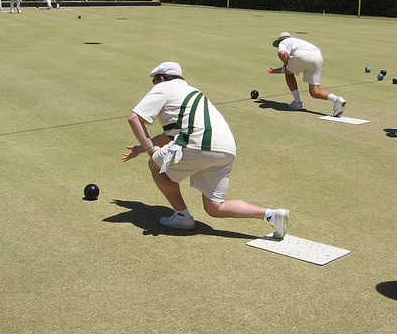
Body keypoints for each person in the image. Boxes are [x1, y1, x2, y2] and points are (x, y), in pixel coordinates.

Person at [122, 62, 290, 238]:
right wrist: (141, 148)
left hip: (199, 143)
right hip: (226, 148)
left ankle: (182, 216)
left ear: (161, 78)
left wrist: (149, 149)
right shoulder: (193, 91)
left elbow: (134, 118)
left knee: (155, 164)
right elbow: (172, 134)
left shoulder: (163, 87)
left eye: (154, 81)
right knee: (215, 207)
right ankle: (272, 215)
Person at [267, 32, 347, 117]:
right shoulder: (298, 41)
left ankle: (297, 102)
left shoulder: (283, 42)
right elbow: (289, 67)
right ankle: (336, 100)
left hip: (301, 55)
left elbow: (282, 53)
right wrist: (280, 69)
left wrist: (286, 64)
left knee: (289, 74)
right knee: (314, 91)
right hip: (318, 56)